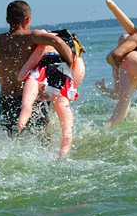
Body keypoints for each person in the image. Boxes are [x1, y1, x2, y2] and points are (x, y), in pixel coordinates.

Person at [0, 0, 75, 136]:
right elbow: (57, 41)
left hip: (6, 98)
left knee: (11, 138)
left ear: (7, 20)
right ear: (28, 19)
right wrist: (69, 63)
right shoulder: (31, 37)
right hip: (29, 98)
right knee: (44, 137)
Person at [16, 30, 85, 158]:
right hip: (62, 71)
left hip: (42, 68)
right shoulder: (74, 54)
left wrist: (22, 76)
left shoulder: (44, 45)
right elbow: (78, 74)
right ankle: (66, 142)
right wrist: (70, 89)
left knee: (28, 100)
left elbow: (23, 73)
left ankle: (23, 117)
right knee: (63, 108)